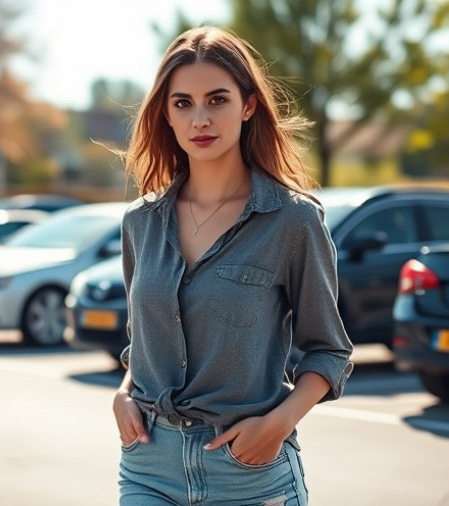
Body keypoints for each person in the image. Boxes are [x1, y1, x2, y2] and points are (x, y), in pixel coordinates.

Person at [113, 26, 354, 506]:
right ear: (166, 114)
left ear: (247, 106)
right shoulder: (141, 222)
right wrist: (123, 394)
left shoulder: (293, 220)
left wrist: (278, 424)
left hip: (248, 472)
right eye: (182, 103)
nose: (199, 118)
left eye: (216, 100)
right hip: (148, 467)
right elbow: (142, 339)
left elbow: (330, 351)